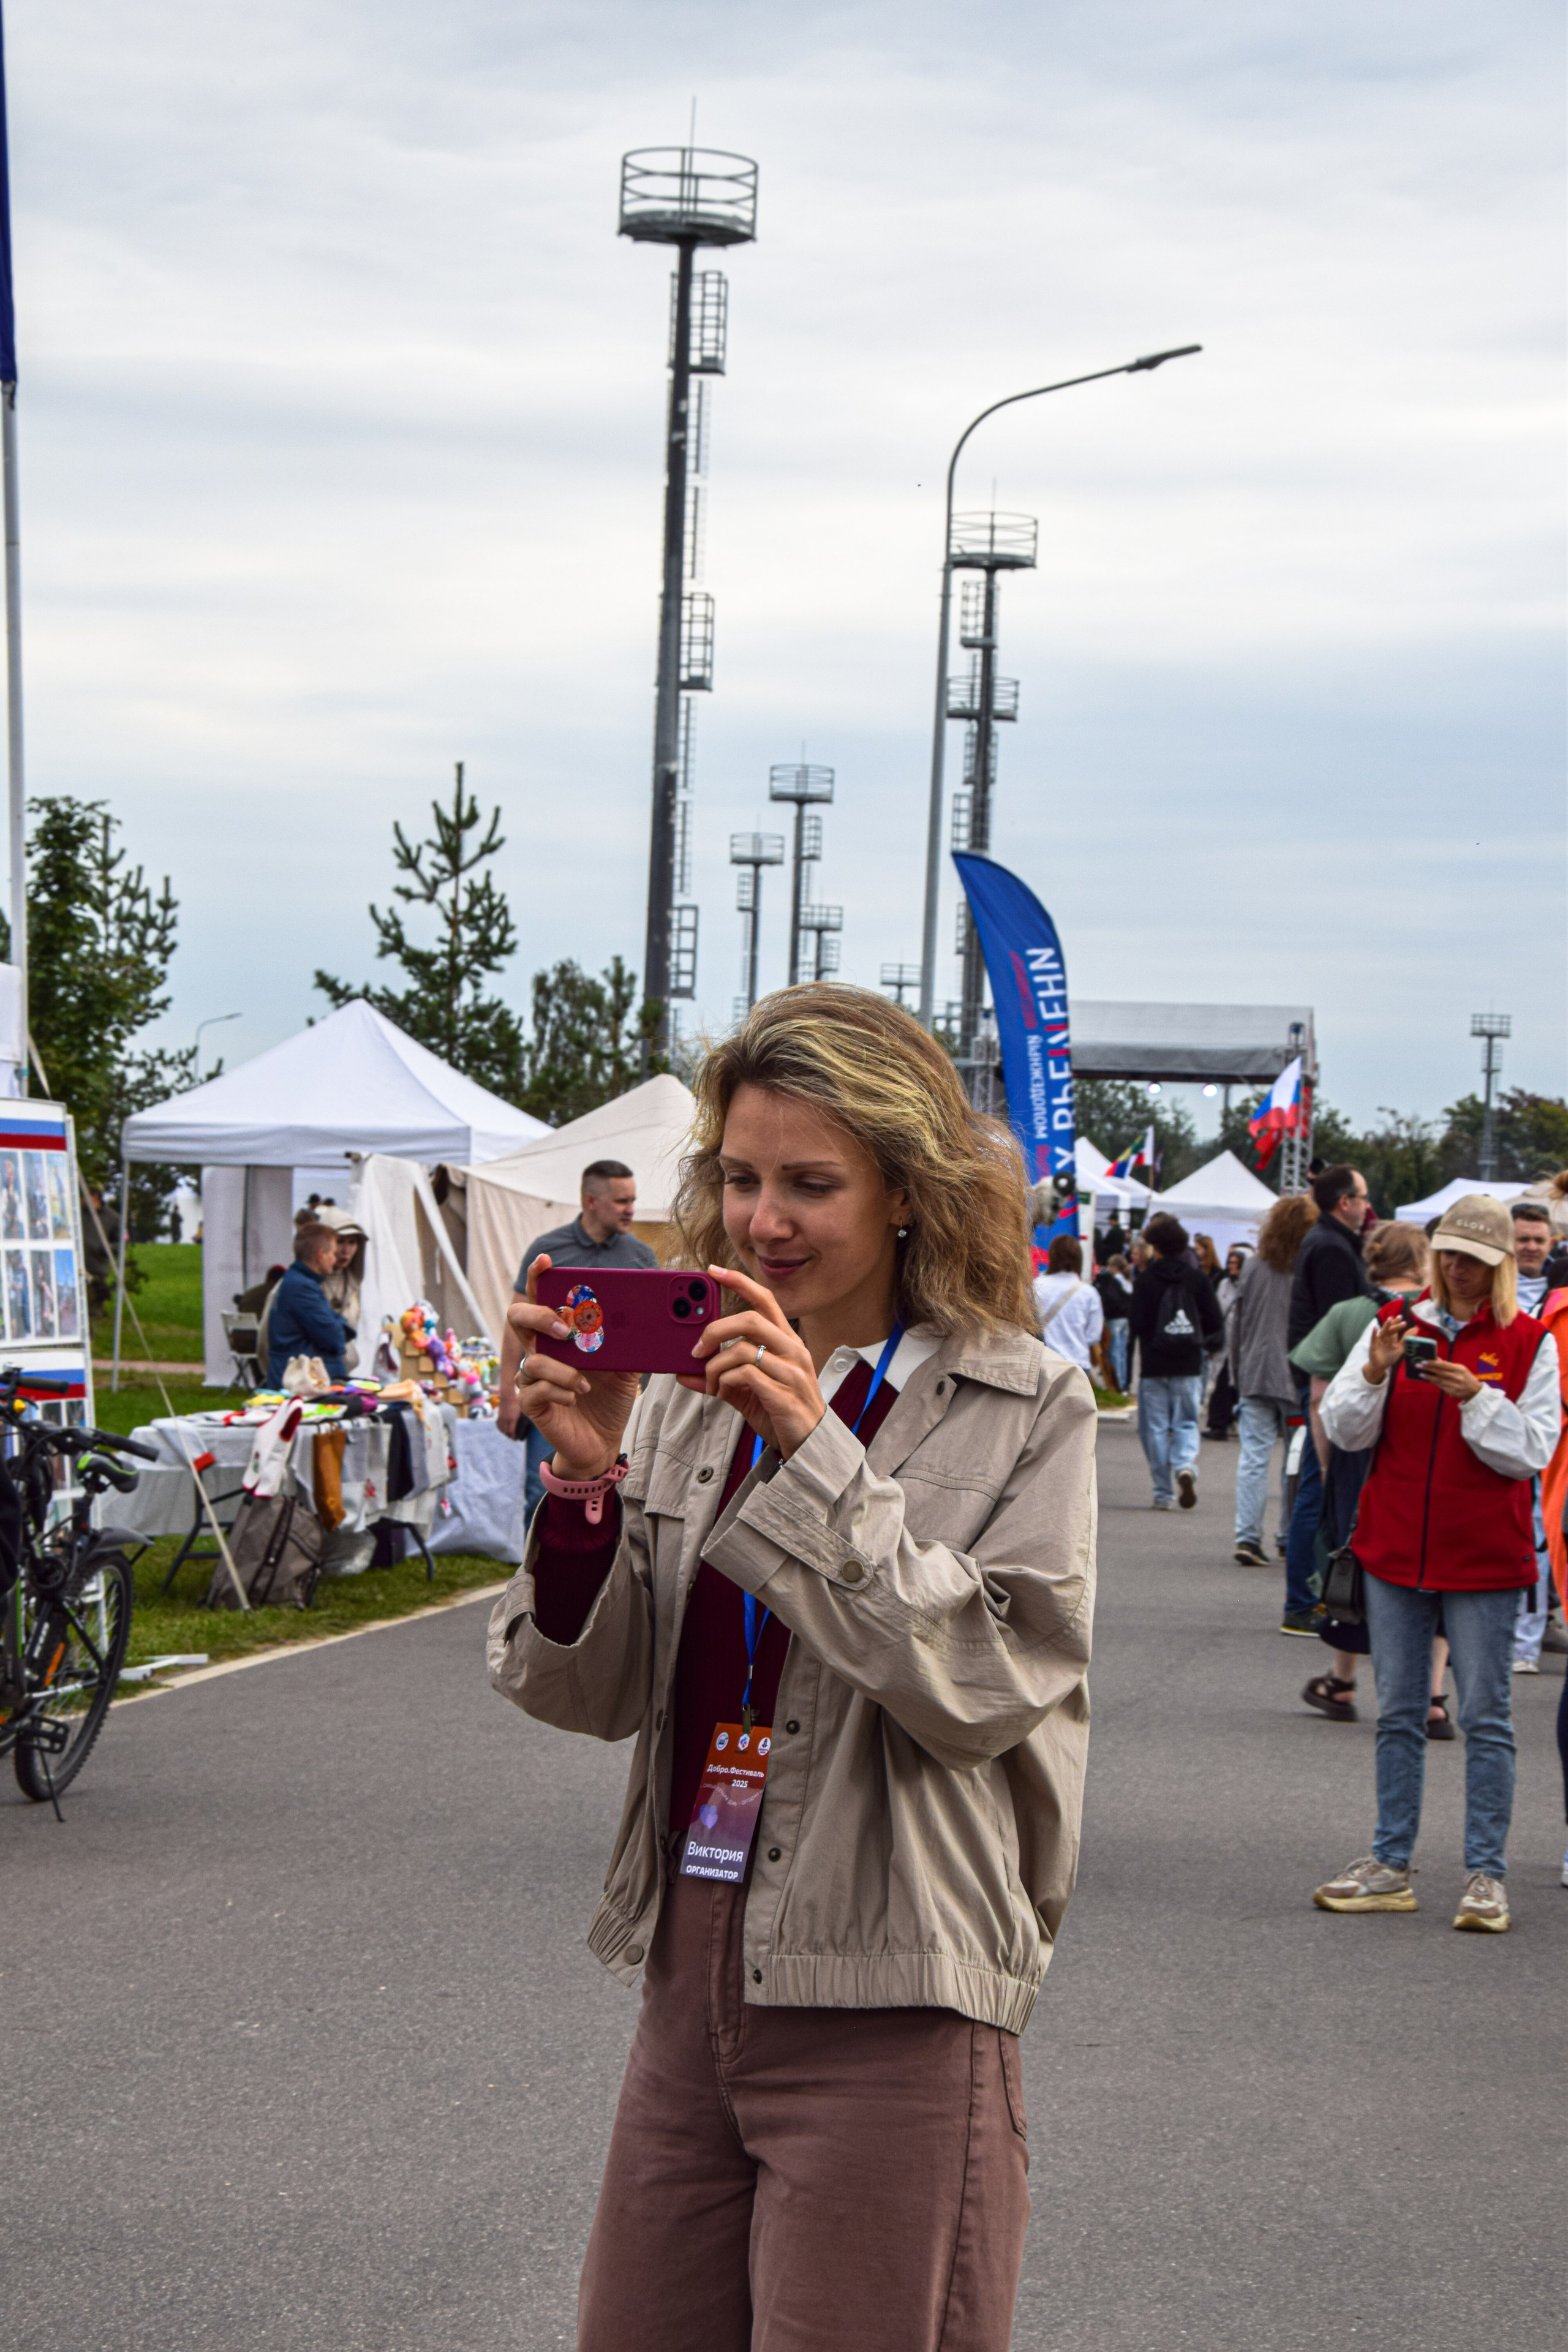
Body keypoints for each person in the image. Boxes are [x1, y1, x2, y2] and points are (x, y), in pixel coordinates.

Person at [488, 986, 1097, 2351]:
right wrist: (587, 1479)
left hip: (893, 1988)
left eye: (811, 1184)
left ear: (907, 1191)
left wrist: (816, 1451)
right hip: (690, 1962)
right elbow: (582, 1694)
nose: (764, 1221)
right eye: (743, 1178)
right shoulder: (693, 1393)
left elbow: (986, 1687)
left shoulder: (1023, 1403)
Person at [1311, 1196, 1559, 1933]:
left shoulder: (1529, 1340)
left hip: (1484, 1554)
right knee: (1397, 1714)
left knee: (1486, 1717)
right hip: (1394, 1549)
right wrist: (1378, 1374)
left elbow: (1530, 1452)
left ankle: (1486, 1874)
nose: (1456, 1269)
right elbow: (1345, 1431)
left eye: (1473, 1259)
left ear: (1498, 1266)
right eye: (1448, 1253)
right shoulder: (1396, 1326)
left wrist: (1478, 1398)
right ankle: (1391, 1863)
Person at [1290, 1223, 1452, 1735]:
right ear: (1422, 1260)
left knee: (1351, 1560)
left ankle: (1342, 1681)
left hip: (1354, 1454)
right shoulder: (1440, 1318)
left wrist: (1326, 1461)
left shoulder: (1349, 1315)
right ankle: (1434, 1695)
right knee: (1436, 1565)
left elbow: (1319, 1395)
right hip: (1425, 1456)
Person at [497, 1160, 658, 1518]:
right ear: (590, 1201)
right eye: (621, 1201)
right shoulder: (548, 1251)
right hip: (555, 1392)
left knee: (619, 1491)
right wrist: (507, 1393)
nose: (631, 1209)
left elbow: (652, 1332)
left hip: (622, 1401)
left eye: (632, 1200)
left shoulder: (641, 1256)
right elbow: (516, 1324)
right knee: (539, 1490)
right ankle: (536, 1572)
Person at [1281, 1166, 1371, 1632]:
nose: (1367, 1206)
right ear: (1345, 1202)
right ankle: (1302, 1601)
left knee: (1317, 1488)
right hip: (1327, 1381)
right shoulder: (1334, 1247)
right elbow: (1345, 1329)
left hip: (1321, 1377)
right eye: (1363, 1198)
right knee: (1318, 1489)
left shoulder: (1327, 1241)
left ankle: (1309, 1596)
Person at [1230, 1195, 1316, 1569]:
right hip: (1296, 1377)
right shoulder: (1310, 1269)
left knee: (1253, 1458)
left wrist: (1237, 1372)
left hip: (1255, 1373)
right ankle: (1288, 1536)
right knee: (1294, 1463)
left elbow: (1237, 1322)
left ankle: (1247, 1536)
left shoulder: (1252, 1267)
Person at [1507, 1199, 1567, 1673]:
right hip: (1495, 1426)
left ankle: (1526, 1643)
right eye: (1522, 1239)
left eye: (1537, 1240)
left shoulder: (1557, 1291)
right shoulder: (1490, 1285)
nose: (1529, 1247)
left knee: (1541, 1534)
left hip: (1547, 1432)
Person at [1129, 1211, 1223, 1510]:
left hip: (1155, 1364)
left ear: (1155, 1247)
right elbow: (1214, 1320)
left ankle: (1162, 1492)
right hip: (1189, 1363)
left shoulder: (1146, 1281)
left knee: (1154, 1428)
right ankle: (1184, 1464)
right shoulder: (1197, 1279)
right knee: (1186, 1422)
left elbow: (1137, 1323)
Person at [265, 1223, 351, 1385]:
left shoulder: (300, 1282)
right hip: (303, 1384)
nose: (335, 1259)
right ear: (321, 1255)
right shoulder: (302, 1287)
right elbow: (334, 1338)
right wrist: (339, 1328)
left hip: (301, 1380)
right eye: (333, 1253)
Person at [1033, 1232, 1105, 1378]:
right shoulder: (1089, 1293)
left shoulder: (1035, 1286)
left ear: (1051, 1257)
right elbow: (1093, 1337)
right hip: (1077, 1366)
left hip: (1043, 1365)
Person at [1203, 1243, 1248, 1440]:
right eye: (1230, 1263)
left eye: (1236, 1263)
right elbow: (1217, 1310)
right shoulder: (1224, 1285)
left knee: (1236, 1385)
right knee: (1221, 1383)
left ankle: (1228, 1422)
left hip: (1242, 1344)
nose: (1231, 1267)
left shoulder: (1247, 1285)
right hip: (1225, 1342)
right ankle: (1218, 1424)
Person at [1096, 1253, 1135, 1395]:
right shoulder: (1128, 1281)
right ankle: (1124, 1382)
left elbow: (1111, 1300)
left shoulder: (1115, 1283)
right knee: (1123, 1352)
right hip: (1126, 1319)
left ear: (1114, 1267)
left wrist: (1105, 1312)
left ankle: (1117, 1383)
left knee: (1114, 1352)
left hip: (1115, 1319)